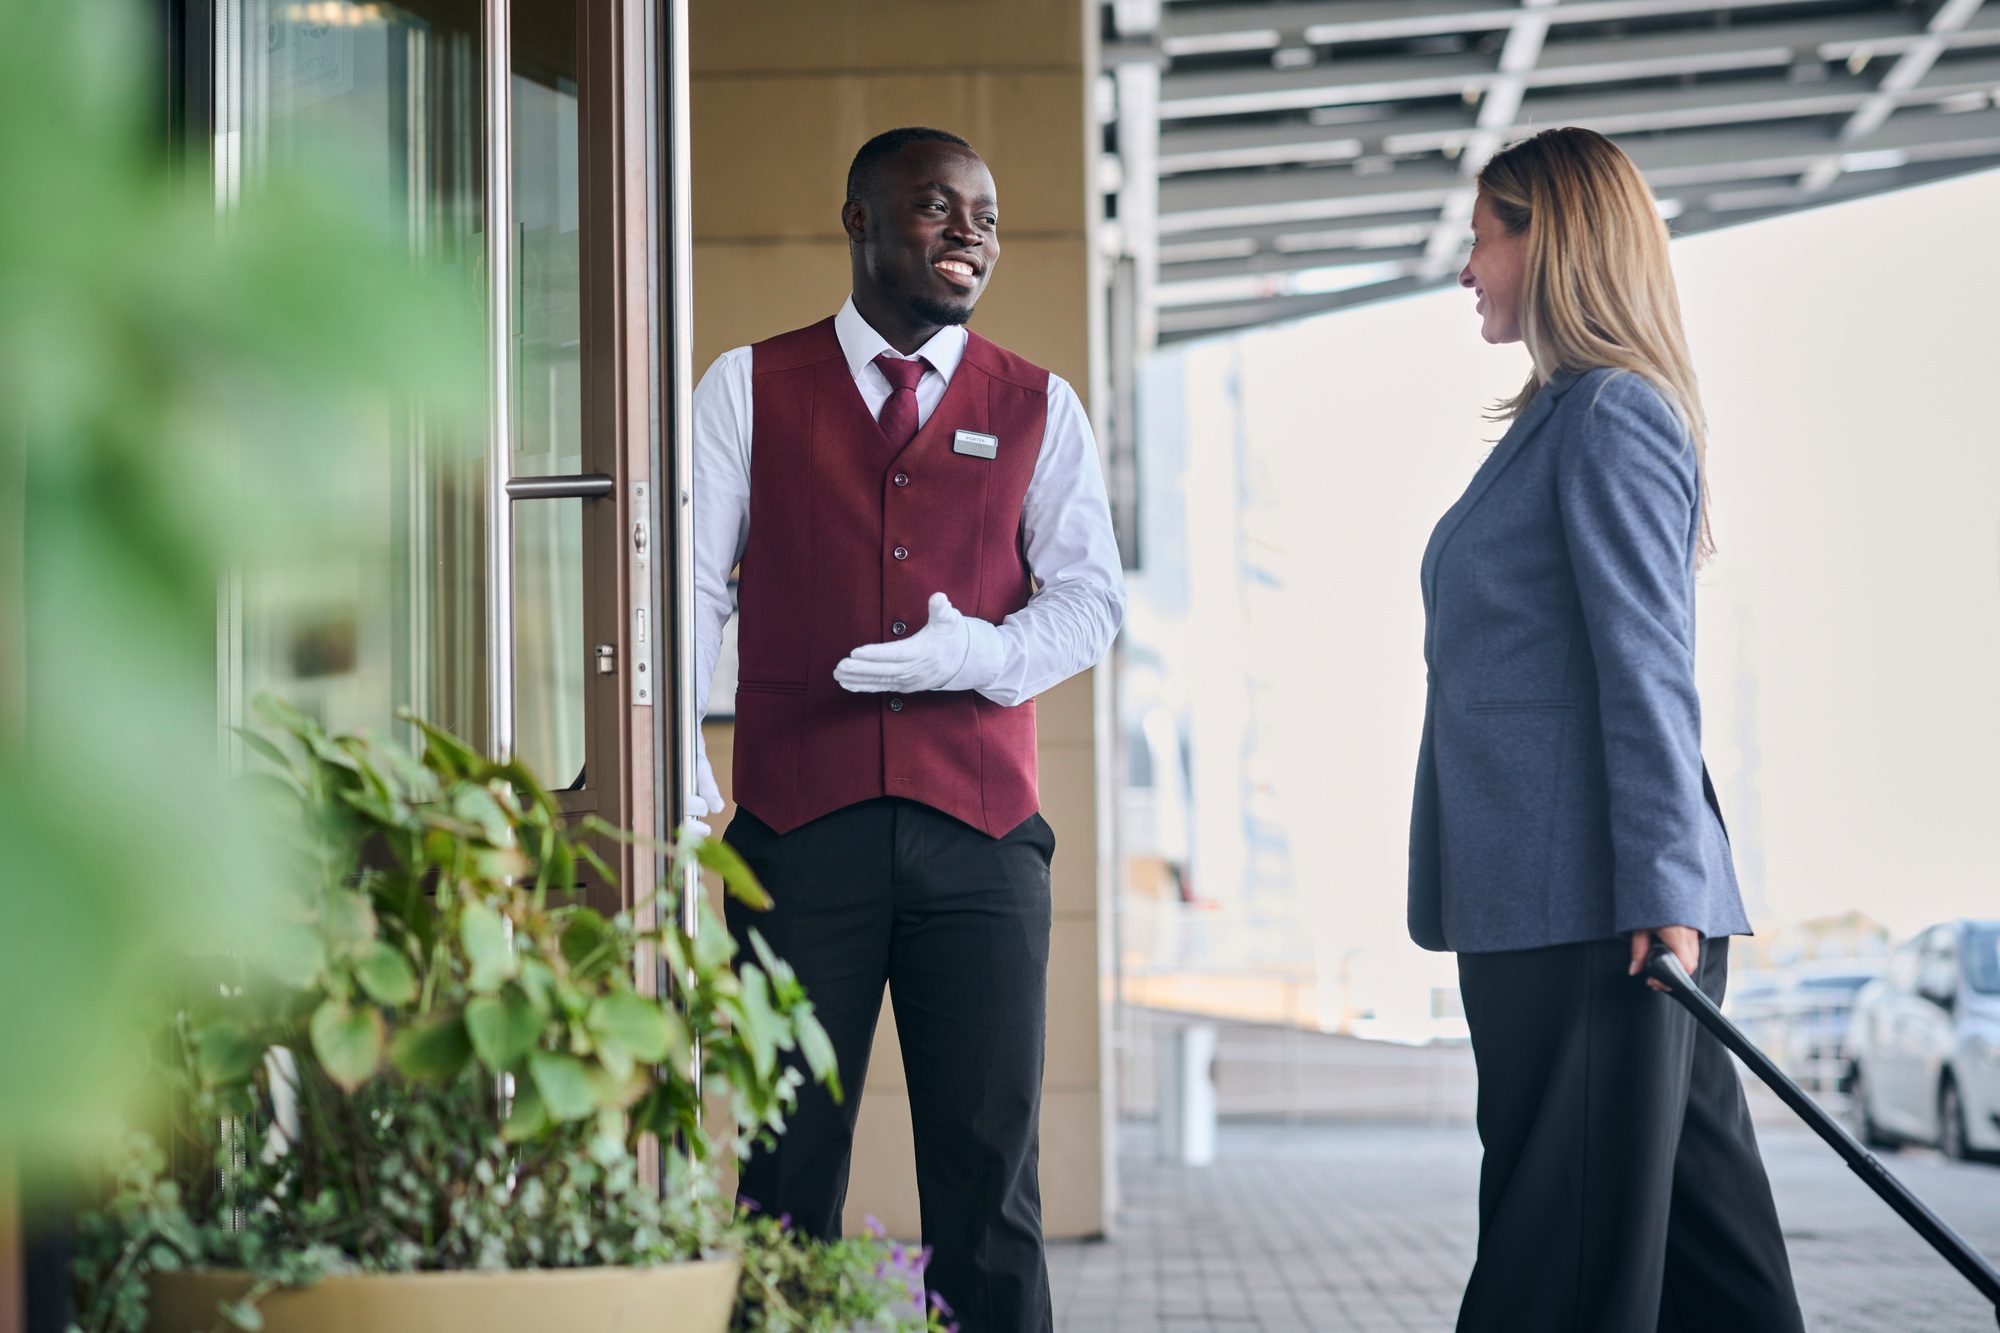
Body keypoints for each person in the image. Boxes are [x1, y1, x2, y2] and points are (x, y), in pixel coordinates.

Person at [687, 126, 1124, 1333]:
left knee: (989, 1192)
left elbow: (1093, 601)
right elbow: (682, 590)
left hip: (980, 843)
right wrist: (672, 763)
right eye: (938, 207)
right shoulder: (745, 387)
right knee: (781, 1183)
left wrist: (981, 654)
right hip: (794, 834)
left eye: (984, 213)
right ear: (859, 220)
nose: (970, 232)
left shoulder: (1038, 404)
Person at [1408, 127, 1806, 1333]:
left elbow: (1647, 671)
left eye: (1480, 235)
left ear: (1549, 239)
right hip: (1573, 904)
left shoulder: (1607, 418)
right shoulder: (1560, 419)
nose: (1464, 266)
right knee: (1710, 1260)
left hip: (1593, 917)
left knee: (1556, 1263)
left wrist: (1661, 902)